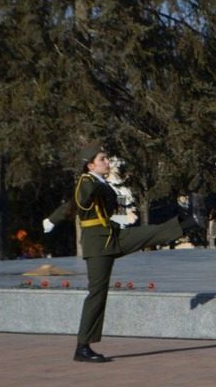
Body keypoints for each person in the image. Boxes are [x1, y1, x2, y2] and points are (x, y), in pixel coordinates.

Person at [43, 143, 185, 363]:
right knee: (97, 294)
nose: (107, 162)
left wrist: (52, 219)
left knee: (146, 234)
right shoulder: (87, 181)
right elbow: (81, 198)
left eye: (106, 158)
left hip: (112, 236)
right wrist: (93, 185)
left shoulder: (95, 181)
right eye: (102, 159)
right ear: (90, 165)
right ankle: (83, 347)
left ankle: (185, 225)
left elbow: (72, 206)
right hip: (98, 244)